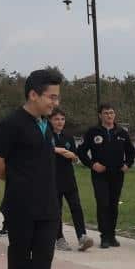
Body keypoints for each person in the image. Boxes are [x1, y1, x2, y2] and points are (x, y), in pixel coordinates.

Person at [0, 69, 63, 269]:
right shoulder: (12, 124)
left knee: (44, 257)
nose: (55, 103)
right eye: (51, 97)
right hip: (21, 204)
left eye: (56, 97)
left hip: (48, 204)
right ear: (33, 94)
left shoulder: (44, 125)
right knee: (21, 255)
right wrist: (20, 179)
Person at [77, 103, 134, 248]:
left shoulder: (121, 132)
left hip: (117, 174)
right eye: (106, 113)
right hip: (100, 175)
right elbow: (81, 151)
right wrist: (92, 164)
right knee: (103, 204)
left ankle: (112, 235)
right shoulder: (93, 132)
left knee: (113, 204)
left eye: (111, 113)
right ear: (100, 115)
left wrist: (127, 164)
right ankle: (104, 237)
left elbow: (131, 152)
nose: (109, 115)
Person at [48, 108, 93, 252]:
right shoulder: (46, 135)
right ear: (50, 120)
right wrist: (58, 150)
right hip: (52, 179)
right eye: (56, 119)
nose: (59, 122)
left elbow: (74, 156)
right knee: (57, 210)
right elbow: (42, 151)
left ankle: (82, 237)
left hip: (68, 178)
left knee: (76, 207)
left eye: (62, 119)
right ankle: (59, 238)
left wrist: (73, 157)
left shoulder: (68, 136)